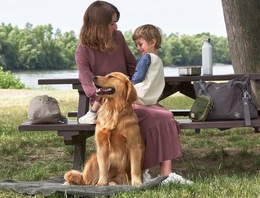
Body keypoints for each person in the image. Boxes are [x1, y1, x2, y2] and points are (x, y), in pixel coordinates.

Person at [75, 0, 193, 185]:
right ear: (99, 25)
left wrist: (147, 72)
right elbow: (89, 85)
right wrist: (109, 95)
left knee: (165, 115)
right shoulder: (83, 51)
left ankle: (164, 174)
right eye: (112, 23)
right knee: (160, 117)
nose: (116, 26)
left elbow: (132, 68)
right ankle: (151, 173)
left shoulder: (118, 38)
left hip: (130, 99)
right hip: (107, 106)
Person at [79, 24, 164, 124]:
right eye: (136, 45)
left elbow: (138, 77)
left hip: (139, 95)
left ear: (153, 42)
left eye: (140, 44)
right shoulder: (158, 60)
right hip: (151, 98)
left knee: (108, 90)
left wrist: (126, 84)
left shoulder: (146, 58)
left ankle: (92, 112)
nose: (138, 48)